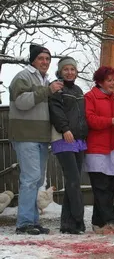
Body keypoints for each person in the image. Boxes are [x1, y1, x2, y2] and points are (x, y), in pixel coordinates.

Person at [9, 44, 63, 235]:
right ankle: (24, 223)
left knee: (36, 180)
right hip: (26, 135)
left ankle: (32, 220)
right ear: (33, 60)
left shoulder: (45, 79)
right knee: (30, 179)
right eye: (41, 58)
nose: (45, 62)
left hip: (41, 136)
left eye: (48, 59)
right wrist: (47, 91)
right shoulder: (23, 77)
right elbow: (22, 102)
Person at [49, 57, 88, 234]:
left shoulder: (79, 90)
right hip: (64, 138)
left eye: (72, 69)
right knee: (73, 180)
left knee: (74, 181)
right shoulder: (57, 87)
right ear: (60, 71)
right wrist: (64, 128)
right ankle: (79, 220)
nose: (70, 72)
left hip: (78, 140)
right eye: (66, 69)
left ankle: (67, 223)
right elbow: (55, 110)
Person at [83, 66, 114, 234]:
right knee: (101, 188)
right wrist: (111, 121)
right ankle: (110, 222)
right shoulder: (90, 97)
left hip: (113, 148)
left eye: (113, 80)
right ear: (100, 81)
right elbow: (90, 120)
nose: (112, 83)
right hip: (97, 149)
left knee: (109, 188)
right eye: (109, 80)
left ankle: (97, 223)